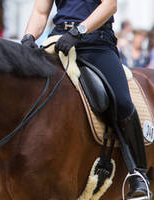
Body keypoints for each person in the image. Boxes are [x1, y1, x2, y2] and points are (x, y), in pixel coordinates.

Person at [21, 0, 151, 199]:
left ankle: (137, 173)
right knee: (20, 86)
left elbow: (109, 5)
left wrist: (79, 31)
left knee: (122, 102)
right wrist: (28, 38)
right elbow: (40, 11)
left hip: (96, 43)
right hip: (58, 41)